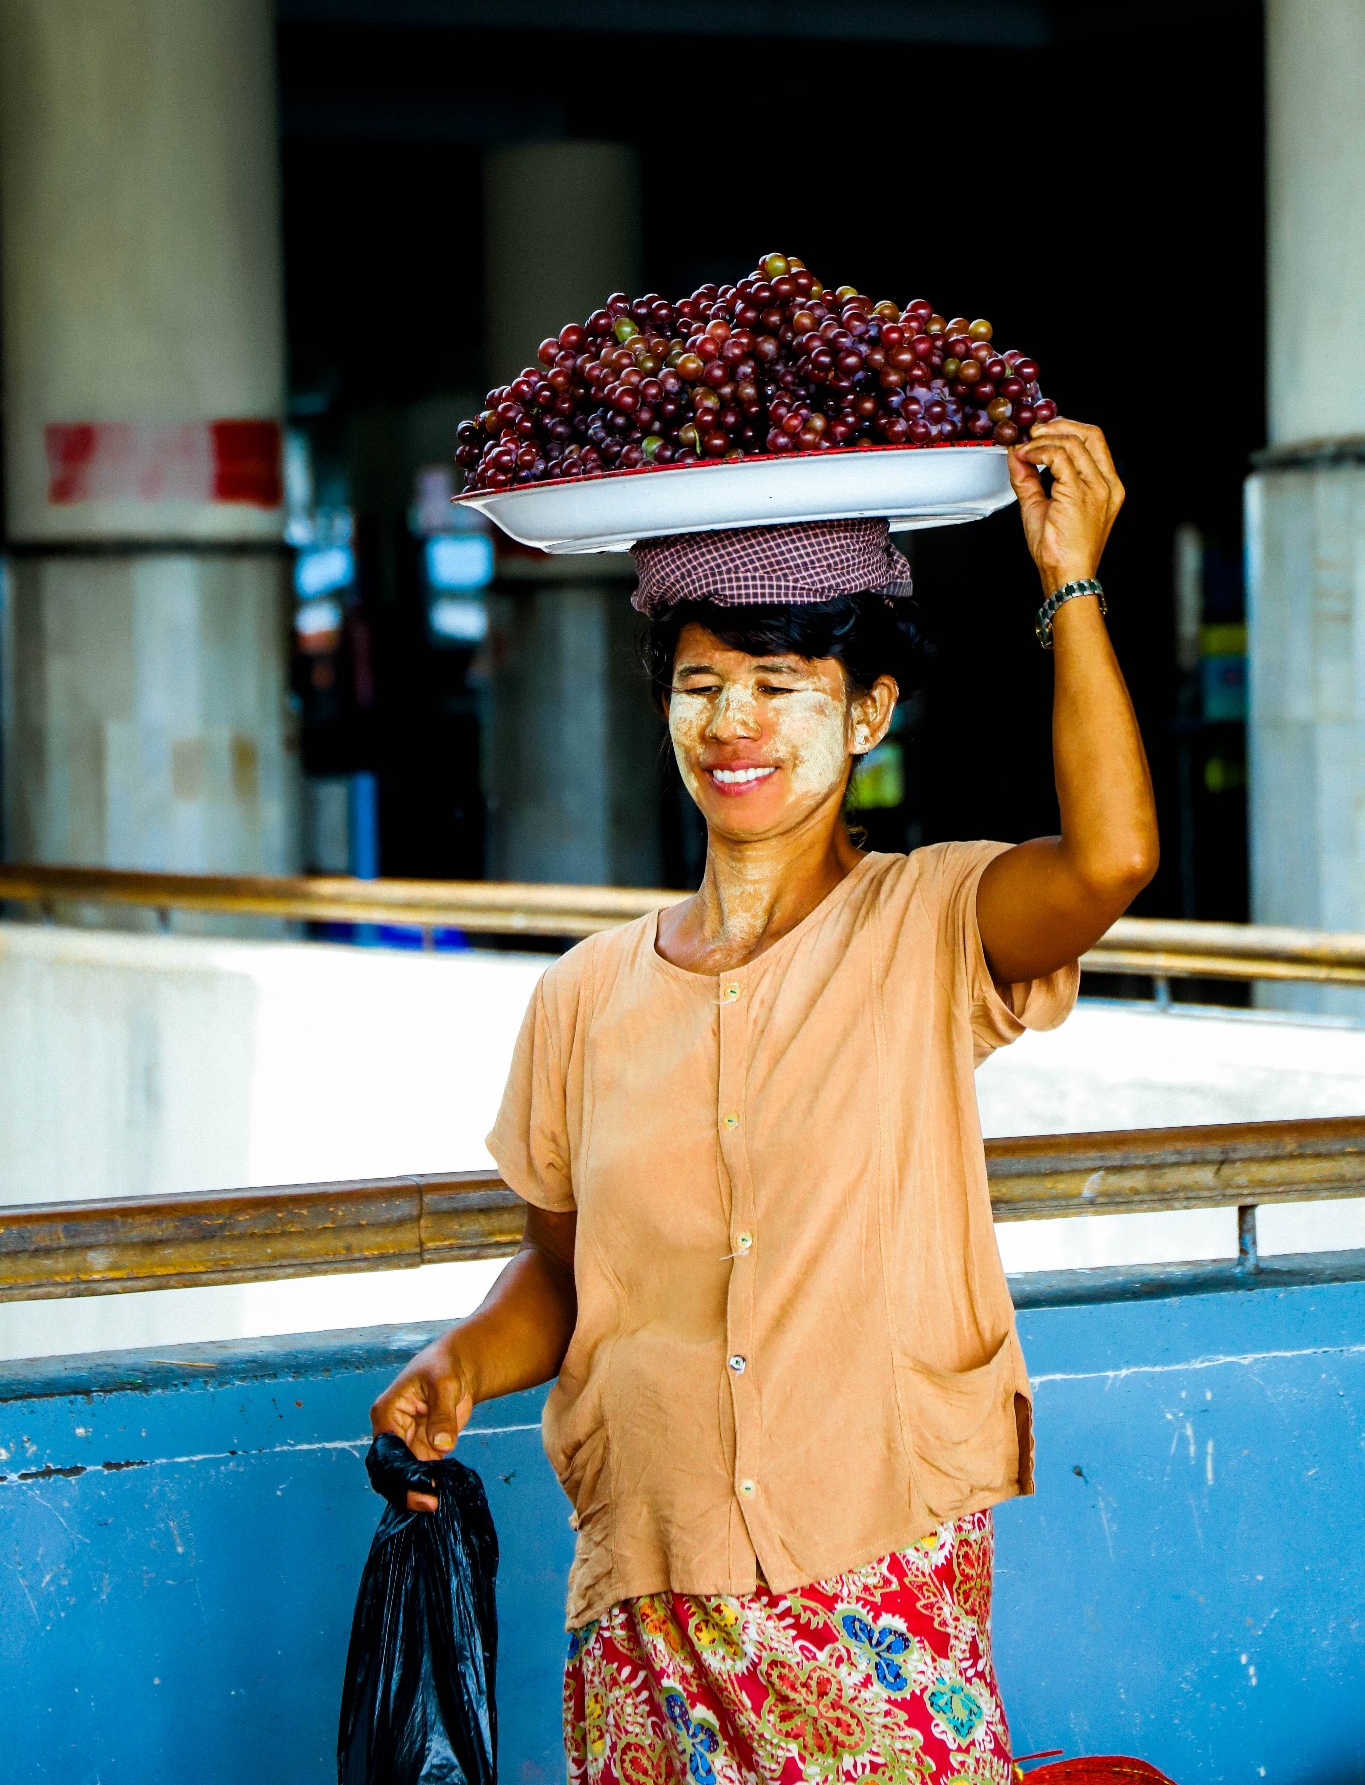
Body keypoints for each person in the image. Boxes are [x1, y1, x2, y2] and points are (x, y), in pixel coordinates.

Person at [372, 419, 1157, 1785]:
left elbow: (1110, 859)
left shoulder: (928, 924)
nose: (730, 722)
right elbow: (565, 1279)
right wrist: (461, 1364)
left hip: (869, 1557)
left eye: (778, 683)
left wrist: (1068, 581)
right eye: (698, 684)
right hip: (648, 1586)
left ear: (865, 712)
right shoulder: (583, 996)